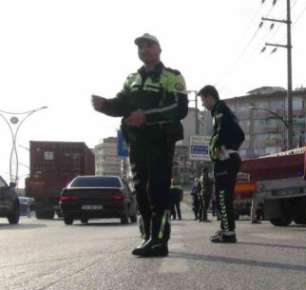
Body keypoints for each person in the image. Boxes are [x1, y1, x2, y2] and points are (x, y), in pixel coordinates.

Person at [91, 33, 188, 257]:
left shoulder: (172, 76)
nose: (144, 50)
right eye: (140, 47)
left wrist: (147, 116)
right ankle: (146, 235)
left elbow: (179, 109)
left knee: (157, 190)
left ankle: (159, 240)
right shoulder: (132, 79)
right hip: (137, 142)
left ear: (159, 49)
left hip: (160, 141)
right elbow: (121, 105)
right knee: (141, 191)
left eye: (148, 45)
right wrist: (105, 105)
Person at [200, 85, 245, 243]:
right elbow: (240, 135)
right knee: (223, 197)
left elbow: (223, 134)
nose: (202, 105)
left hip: (225, 160)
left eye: (203, 100)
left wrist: (221, 148)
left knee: (222, 197)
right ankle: (226, 229)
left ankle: (228, 233)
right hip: (228, 158)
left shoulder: (219, 110)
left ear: (209, 97)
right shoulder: (222, 111)